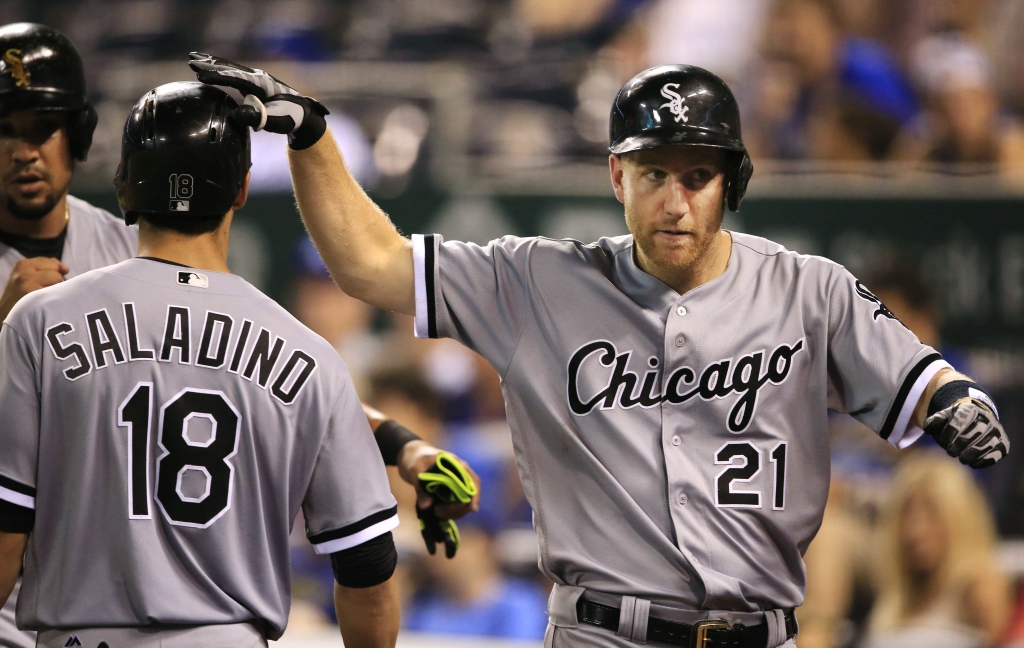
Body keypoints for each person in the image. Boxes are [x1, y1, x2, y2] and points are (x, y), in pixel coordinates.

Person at [188, 54, 1010, 648]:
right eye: (653, 174)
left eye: (697, 175)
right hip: (602, 635)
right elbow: (370, 264)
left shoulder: (809, 289)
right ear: (617, 178)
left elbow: (921, 378)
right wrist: (312, 138)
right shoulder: (540, 282)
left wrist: (956, 402)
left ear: (732, 183)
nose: (676, 199)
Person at [0, 82, 403, 648]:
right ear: (240, 191)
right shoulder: (310, 355)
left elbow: (6, 531)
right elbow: (367, 568)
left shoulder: (39, 320)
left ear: (124, 187)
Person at [0, 22, 138, 648]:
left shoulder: (128, 248)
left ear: (75, 135)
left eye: (42, 129)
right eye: (4, 131)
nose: (24, 151)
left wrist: (398, 443)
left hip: (106, 599)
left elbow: (246, 370)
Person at [862, 454, 1011, 648]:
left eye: (932, 512)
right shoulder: (897, 594)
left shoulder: (977, 585)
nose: (915, 530)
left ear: (959, 518)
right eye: (907, 513)